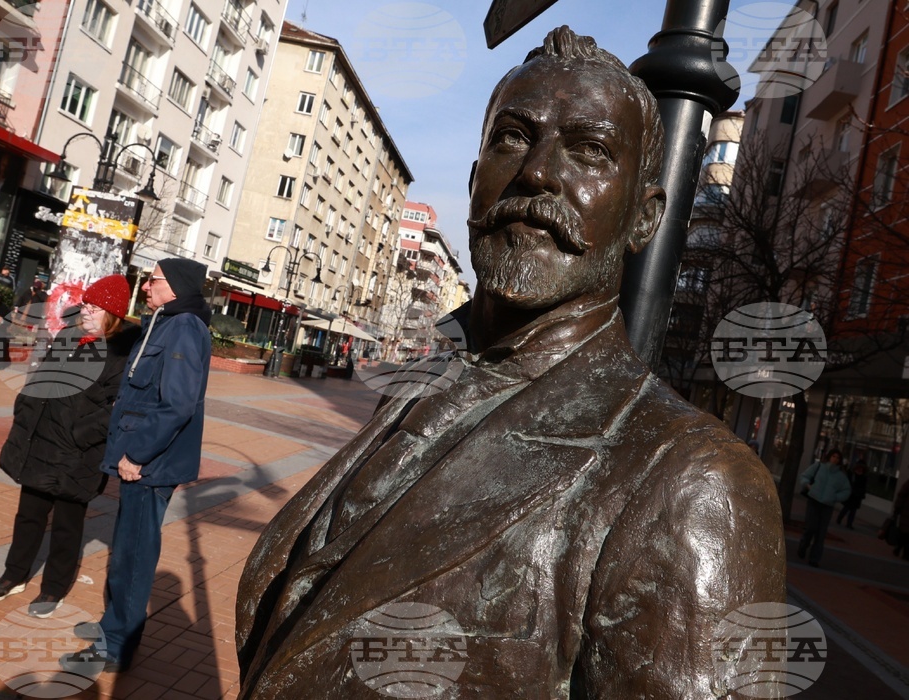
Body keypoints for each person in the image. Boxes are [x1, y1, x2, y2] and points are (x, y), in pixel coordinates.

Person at [234, 27, 785, 698]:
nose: (537, 173)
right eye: (514, 138)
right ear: (474, 183)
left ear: (643, 219)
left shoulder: (694, 481)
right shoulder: (423, 386)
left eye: (589, 151)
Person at [60, 259, 212, 673]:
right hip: (144, 458)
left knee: (133, 555)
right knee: (127, 548)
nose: (144, 286)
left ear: (175, 286)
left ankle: (115, 645)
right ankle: (113, 625)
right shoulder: (166, 322)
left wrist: (138, 454)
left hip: (150, 463)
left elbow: (177, 404)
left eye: (152, 280)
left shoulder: (184, 327)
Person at [0, 276, 140, 618]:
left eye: (94, 307)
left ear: (112, 314)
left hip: (78, 452)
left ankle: (54, 588)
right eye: (85, 305)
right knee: (29, 514)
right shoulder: (69, 336)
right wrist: (25, 408)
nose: (85, 311)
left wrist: (79, 434)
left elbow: (117, 409)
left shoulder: (123, 353)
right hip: (41, 440)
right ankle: (14, 574)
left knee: (68, 525)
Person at [797, 449, 851, 567]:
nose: (835, 459)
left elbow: (846, 491)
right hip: (814, 501)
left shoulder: (841, 476)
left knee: (821, 533)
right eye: (833, 456)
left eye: (838, 458)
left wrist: (835, 497)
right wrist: (808, 485)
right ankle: (803, 545)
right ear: (829, 457)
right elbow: (805, 476)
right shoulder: (818, 467)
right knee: (810, 527)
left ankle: (814, 558)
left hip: (827, 505)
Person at [837, 459, 868, 529]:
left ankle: (849, 524)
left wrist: (862, 494)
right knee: (846, 508)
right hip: (851, 494)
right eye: (859, 467)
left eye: (862, 468)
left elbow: (864, 486)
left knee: (853, 511)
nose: (860, 469)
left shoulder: (864, 476)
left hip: (857, 496)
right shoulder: (851, 474)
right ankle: (839, 518)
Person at [892, 479, 909, 560]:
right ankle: (903, 551)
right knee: (905, 533)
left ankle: (899, 549)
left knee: (905, 533)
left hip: (905, 512)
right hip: (906, 512)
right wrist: (897, 509)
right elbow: (901, 495)